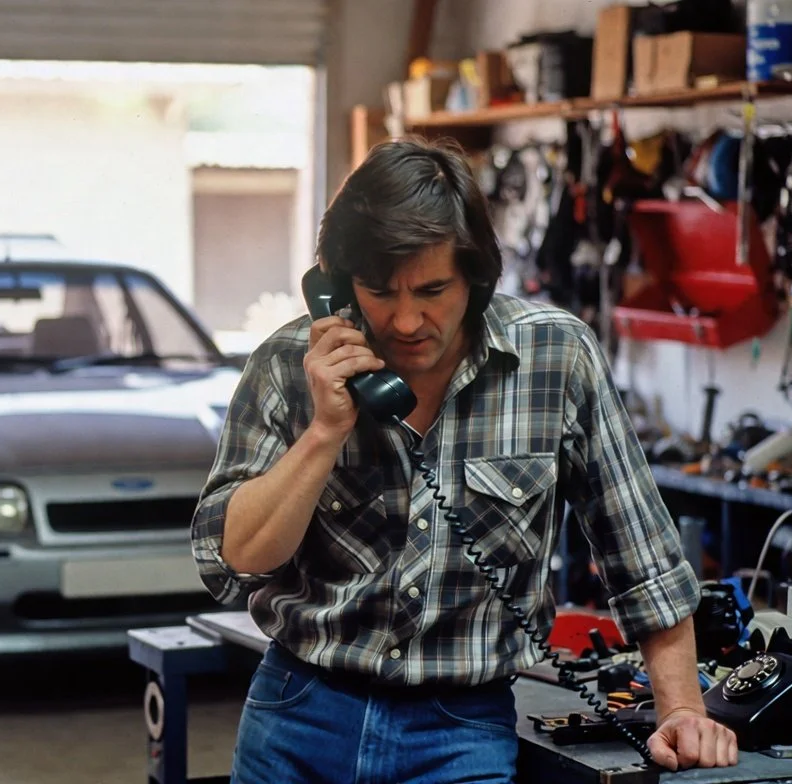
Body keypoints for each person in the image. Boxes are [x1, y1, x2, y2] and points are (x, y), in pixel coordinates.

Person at [191, 136, 737, 783]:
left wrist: (681, 709)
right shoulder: (285, 365)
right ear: (336, 288)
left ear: (475, 277)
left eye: (431, 290)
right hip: (301, 709)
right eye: (377, 291)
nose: (404, 320)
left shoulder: (556, 359)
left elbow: (642, 560)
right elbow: (231, 562)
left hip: (457, 728)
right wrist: (324, 431)